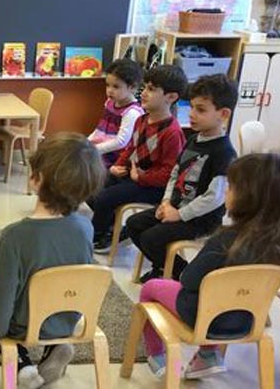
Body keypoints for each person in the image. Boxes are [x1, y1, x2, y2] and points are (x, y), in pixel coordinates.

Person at [0, 132, 105, 387]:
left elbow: (2, 302)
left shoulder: (14, 236)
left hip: (26, 324)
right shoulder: (86, 228)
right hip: (66, 318)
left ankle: (22, 364)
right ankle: (56, 345)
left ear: (37, 180)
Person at [139, 153, 280, 380]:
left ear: (246, 197)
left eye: (231, 187)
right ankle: (208, 356)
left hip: (200, 316)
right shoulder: (274, 244)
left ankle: (157, 355)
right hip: (247, 320)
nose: (226, 191)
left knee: (151, 288)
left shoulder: (223, 241)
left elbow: (188, 280)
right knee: (221, 297)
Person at [128, 74, 237, 282]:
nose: (192, 114)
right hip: (175, 206)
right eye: (192, 107)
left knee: (152, 238)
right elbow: (175, 173)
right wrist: (166, 202)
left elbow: (214, 198)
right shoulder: (193, 139)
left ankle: (179, 272)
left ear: (223, 114)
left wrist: (180, 214)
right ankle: (165, 267)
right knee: (134, 224)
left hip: (200, 219)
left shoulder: (224, 152)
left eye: (201, 110)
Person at [90, 65, 187, 252]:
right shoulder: (142, 119)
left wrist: (140, 178)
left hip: (153, 187)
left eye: (151, 89)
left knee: (105, 197)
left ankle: (97, 236)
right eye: (145, 87)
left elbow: (169, 174)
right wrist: (117, 165)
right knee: (92, 185)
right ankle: (111, 227)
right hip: (135, 175)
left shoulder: (172, 133)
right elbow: (131, 148)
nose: (144, 93)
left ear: (171, 97)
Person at [87, 59, 145, 168]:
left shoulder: (132, 112)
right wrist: (86, 142)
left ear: (132, 87)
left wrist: (94, 150)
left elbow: (121, 142)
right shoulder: (110, 103)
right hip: (100, 149)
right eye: (108, 85)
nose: (109, 90)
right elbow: (100, 129)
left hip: (115, 157)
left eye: (116, 87)